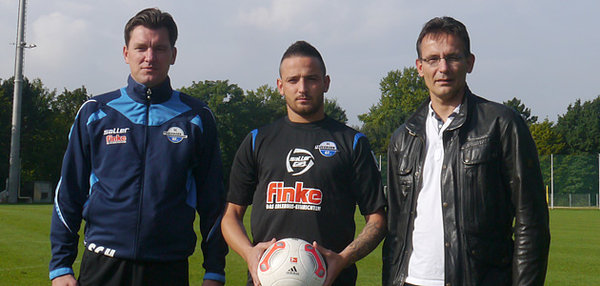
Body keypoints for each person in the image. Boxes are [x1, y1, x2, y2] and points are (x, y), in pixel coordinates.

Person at [49, 8, 227, 286]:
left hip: (168, 267)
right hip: (102, 265)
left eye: (160, 48)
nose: (150, 57)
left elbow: (213, 200)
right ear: (125, 53)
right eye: (141, 48)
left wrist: (214, 270)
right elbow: (69, 191)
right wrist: (60, 266)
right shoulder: (95, 113)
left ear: (173, 55)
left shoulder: (196, 117)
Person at [382, 16, 550, 286]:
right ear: (419, 67)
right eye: (433, 59)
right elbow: (395, 232)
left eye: (453, 57)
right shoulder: (403, 137)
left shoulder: (501, 124)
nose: (443, 68)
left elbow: (532, 221)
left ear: (470, 62)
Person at [221, 40, 387, 286]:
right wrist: (248, 252)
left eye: (311, 79)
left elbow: (377, 219)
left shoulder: (352, 142)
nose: (302, 88)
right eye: (293, 80)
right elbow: (230, 215)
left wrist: (343, 258)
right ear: (280, 86)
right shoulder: (257, 140)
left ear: (326, 83)